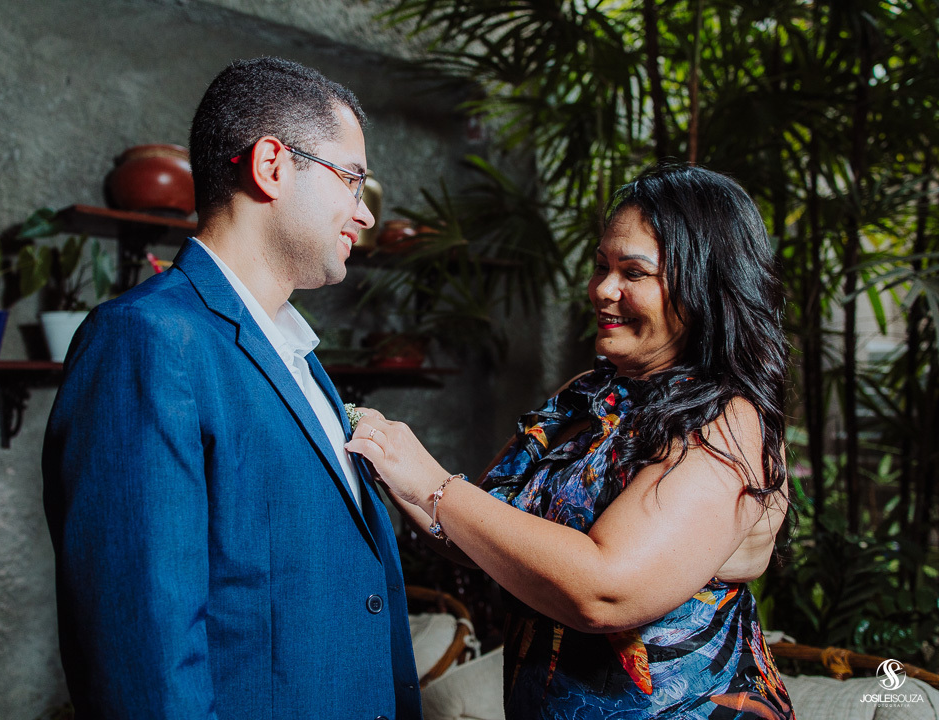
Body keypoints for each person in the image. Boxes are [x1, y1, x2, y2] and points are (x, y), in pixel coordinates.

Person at [43, 57, 422, 719]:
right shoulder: (146, 340)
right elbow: (144, 664)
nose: (363, 215)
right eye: (352, 179)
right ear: (272, 165)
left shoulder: (295, 352)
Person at [348, 164, 796, 719]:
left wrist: (432, 483)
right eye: (602, 266)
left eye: (634, 272)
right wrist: (384, 460)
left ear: (706, 286)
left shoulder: (726, 419)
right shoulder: (585, 395)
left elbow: (605, 592)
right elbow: (476, 534)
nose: (603, 290)